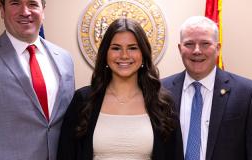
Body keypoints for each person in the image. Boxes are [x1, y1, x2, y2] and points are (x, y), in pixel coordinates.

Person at [0, 0, 74, 159]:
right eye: (15, 3)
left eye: (32, 4)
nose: (25, 11)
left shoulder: (64, 59)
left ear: (43, 10)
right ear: (2, 10)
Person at [57, 18, 183, 160]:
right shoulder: (83, 100)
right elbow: (66, 154)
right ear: (106, 54)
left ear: (143, 54)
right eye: (116, 48)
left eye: (132, 48)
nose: (124, 55)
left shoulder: (163, 104)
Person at [162, 16, 252, 160]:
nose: (197, 51)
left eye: (205, 43)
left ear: (218, 48)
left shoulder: (247, 93)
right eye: (189, 44)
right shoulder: (161, 91)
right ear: (179, 48)